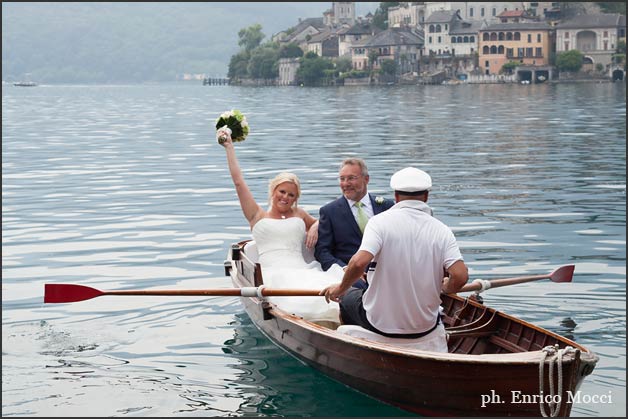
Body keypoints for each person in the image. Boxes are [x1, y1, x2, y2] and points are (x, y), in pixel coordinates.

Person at [321, 167, 469, 352]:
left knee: (348, 296)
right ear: (426, 197)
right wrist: (446, 287)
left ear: (396, 197)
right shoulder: (441, 230)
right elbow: (460, 276)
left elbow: (358, 263)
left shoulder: (379, 222)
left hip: (380, 324)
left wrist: (340, 289)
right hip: (425, 326)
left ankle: (356, 350)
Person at [219, 128, 343, 322]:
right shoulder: (256, 215)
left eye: (291, 195)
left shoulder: (300, 214)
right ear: (273, 190)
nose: (285, 197)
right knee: (293, 294)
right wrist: (229, 147)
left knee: (332, 290)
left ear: (296, 198)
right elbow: (238, 182)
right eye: (282, 191)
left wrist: (315, 226)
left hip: (303, 270)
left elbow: (323, 221)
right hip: (273, 274)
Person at [315, 158, 395, 288]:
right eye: (342, 179)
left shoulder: (386, 206)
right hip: (351, 277)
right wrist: (345, 269)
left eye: (351, 178)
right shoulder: (329, 211)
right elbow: (322, 252)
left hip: (386, 270)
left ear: (366, 179)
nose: (346, 184)